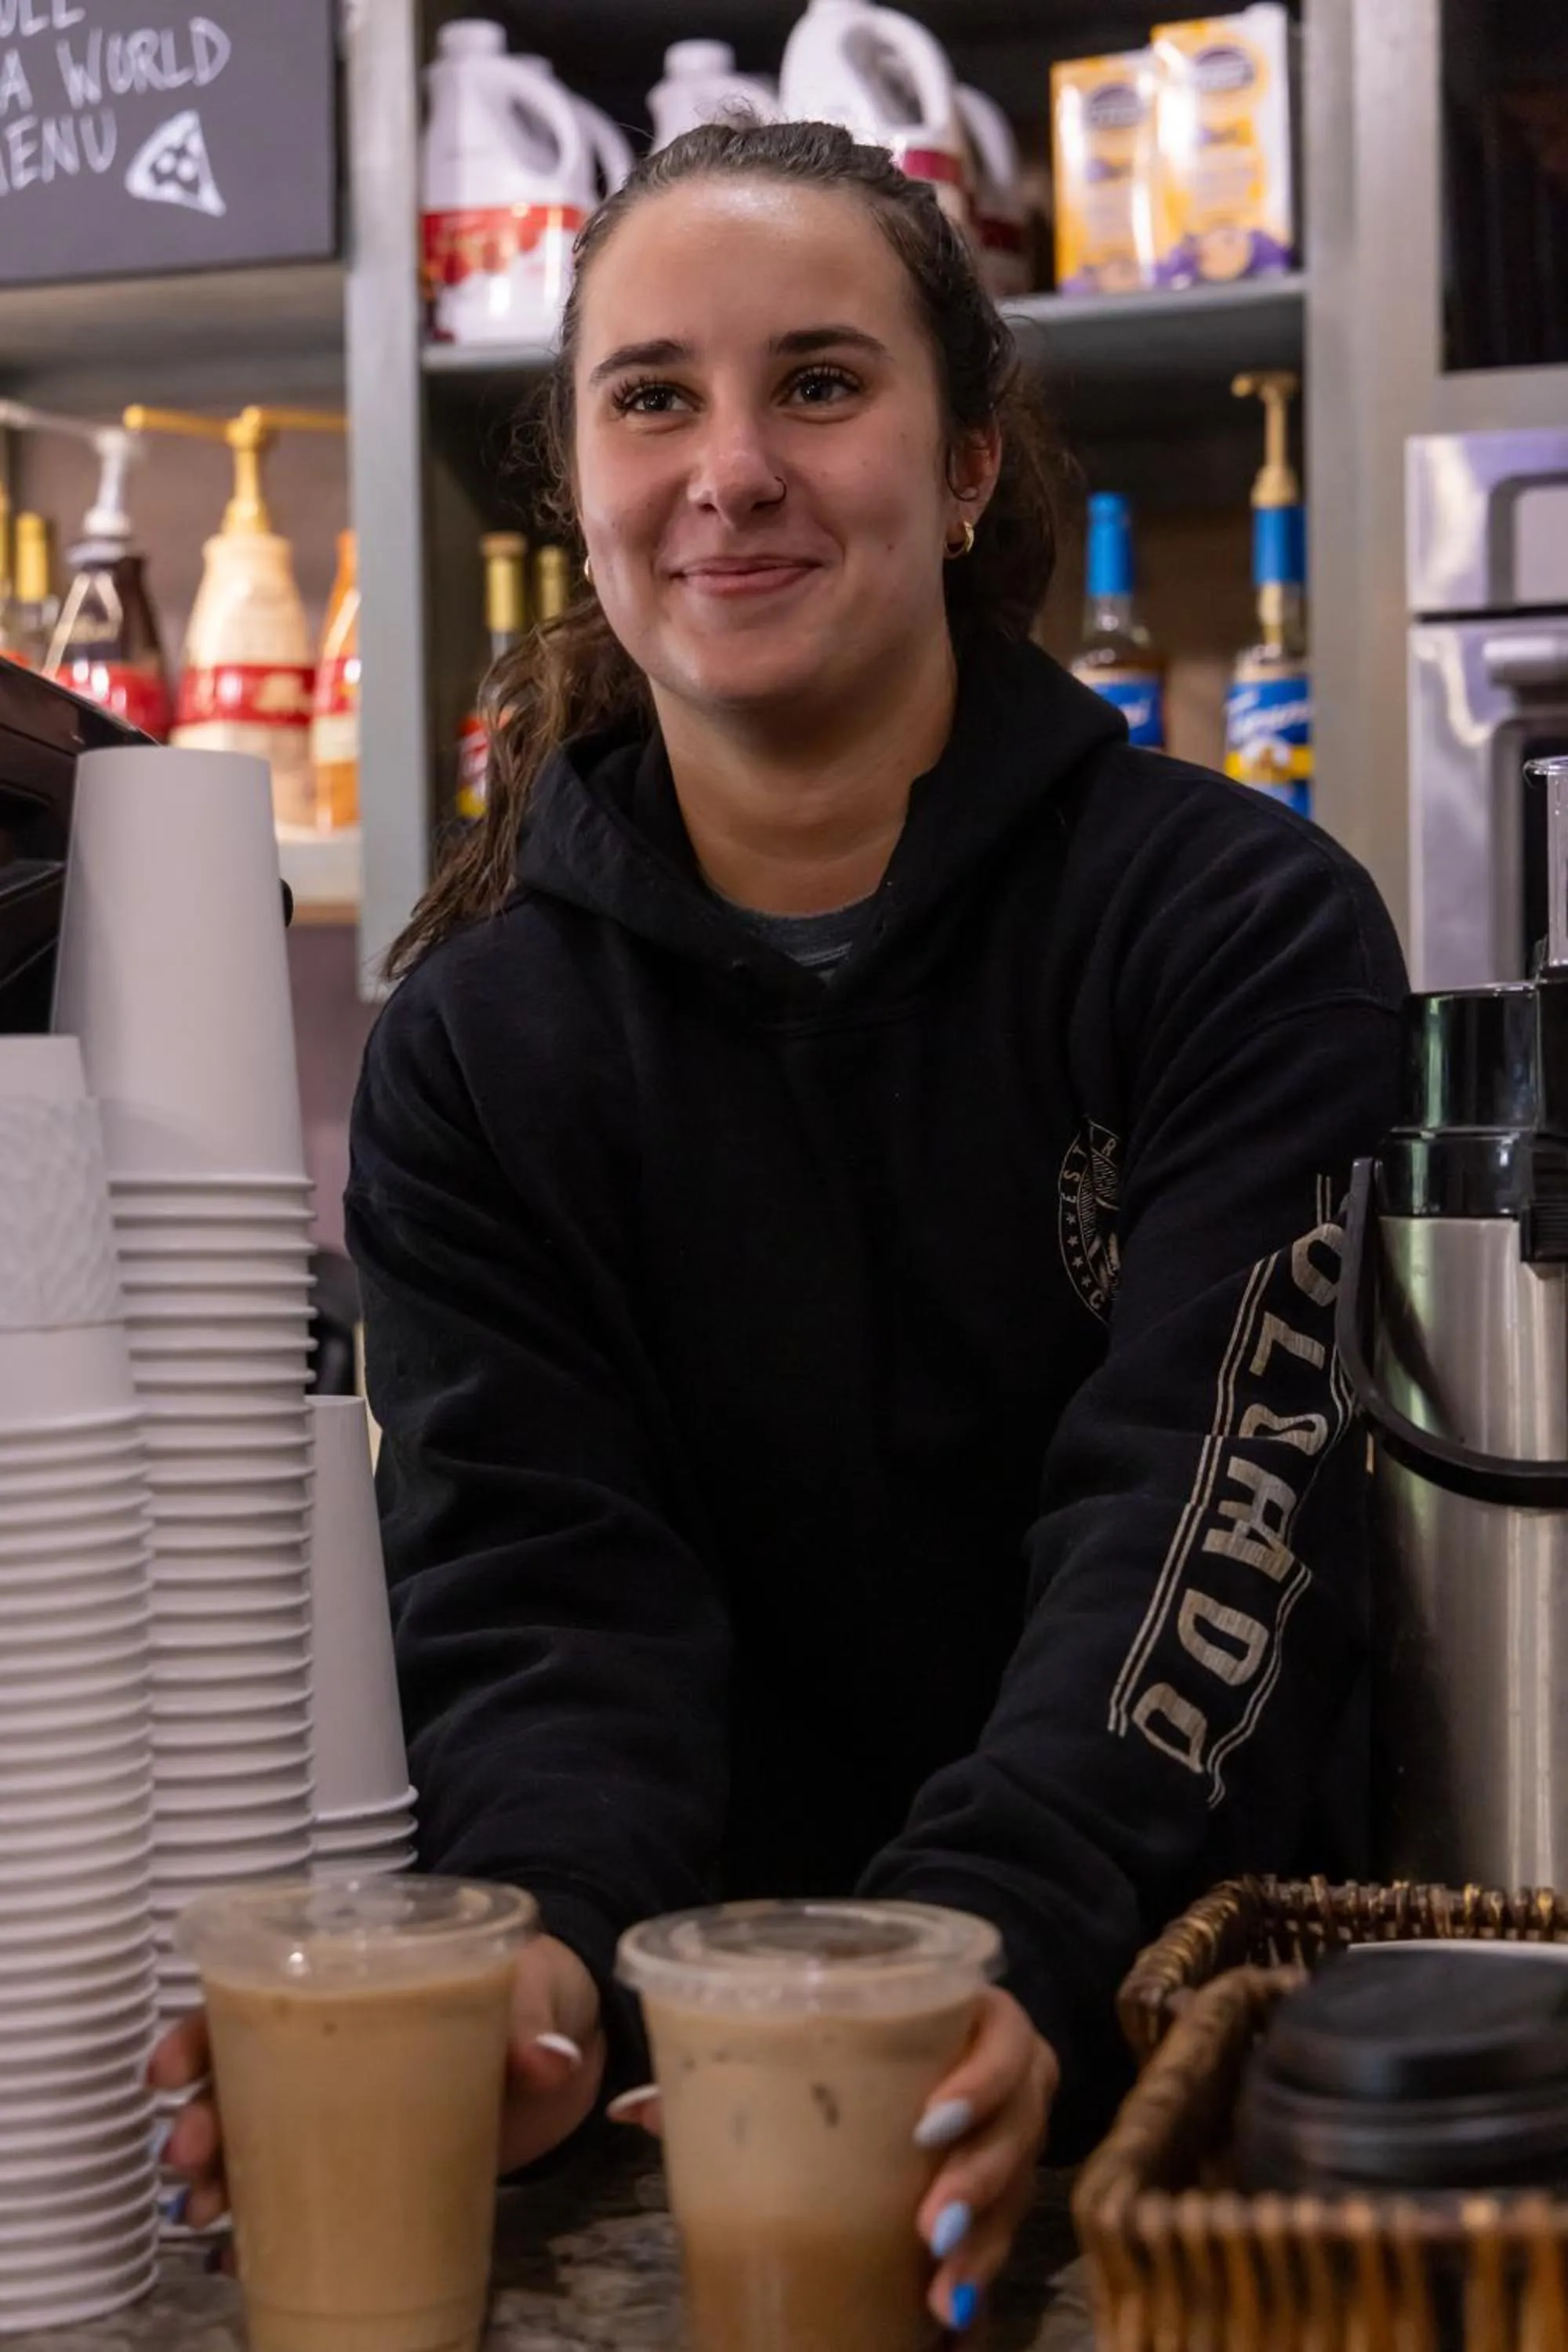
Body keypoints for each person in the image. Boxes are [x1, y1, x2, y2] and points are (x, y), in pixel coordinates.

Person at [155, 118, 1406, 2329]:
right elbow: (546, 1596)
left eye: (820, 384)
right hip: (707, 2113)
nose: (729, 467)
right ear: (581, 486)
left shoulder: (1230, 926)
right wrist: (531, 1959)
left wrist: (994, 1941)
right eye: (655, 397)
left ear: (969, 471)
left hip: (1193, 2093)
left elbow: (1198, 1528)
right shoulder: (479, 1049)